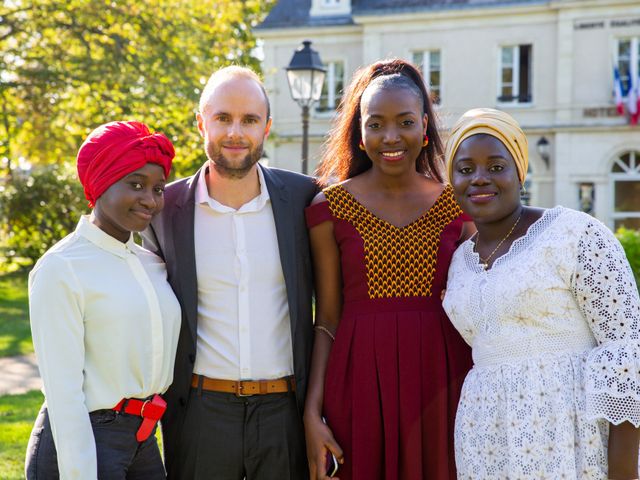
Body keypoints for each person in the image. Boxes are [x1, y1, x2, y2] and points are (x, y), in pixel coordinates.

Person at [443, 108, 640, 479]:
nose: (480, 179)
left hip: (573, 441)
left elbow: (627, 356)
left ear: (520, 170)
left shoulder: (574, 234)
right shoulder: (459, 263)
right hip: (487, 443)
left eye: (496, 166)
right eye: (465, 169)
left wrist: (624, 473)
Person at [141, 66, 317, 480]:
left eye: (250, 119)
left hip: (284, 413)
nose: (235, 132)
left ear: (267, 127)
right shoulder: (164, 209)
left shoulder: (304, 199)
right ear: (201, 122)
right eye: (222, 118)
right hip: (200, 413)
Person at [303, 58, 474, 480]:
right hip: (357, 383)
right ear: (359, 134)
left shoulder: (459, 206)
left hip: (443, 383)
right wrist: (311, 411)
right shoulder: (329, 208)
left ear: (425, 129)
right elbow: (326, 319)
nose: (391, 136)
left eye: (405, 122)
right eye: (375, 124)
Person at [25, 121, 181, 479]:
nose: (150, 199)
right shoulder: (61, 268)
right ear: (101, 183)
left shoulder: (152, 263)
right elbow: (63, 395)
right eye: (136, 184)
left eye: (158, 189)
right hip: (86, 439)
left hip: (144, 438)